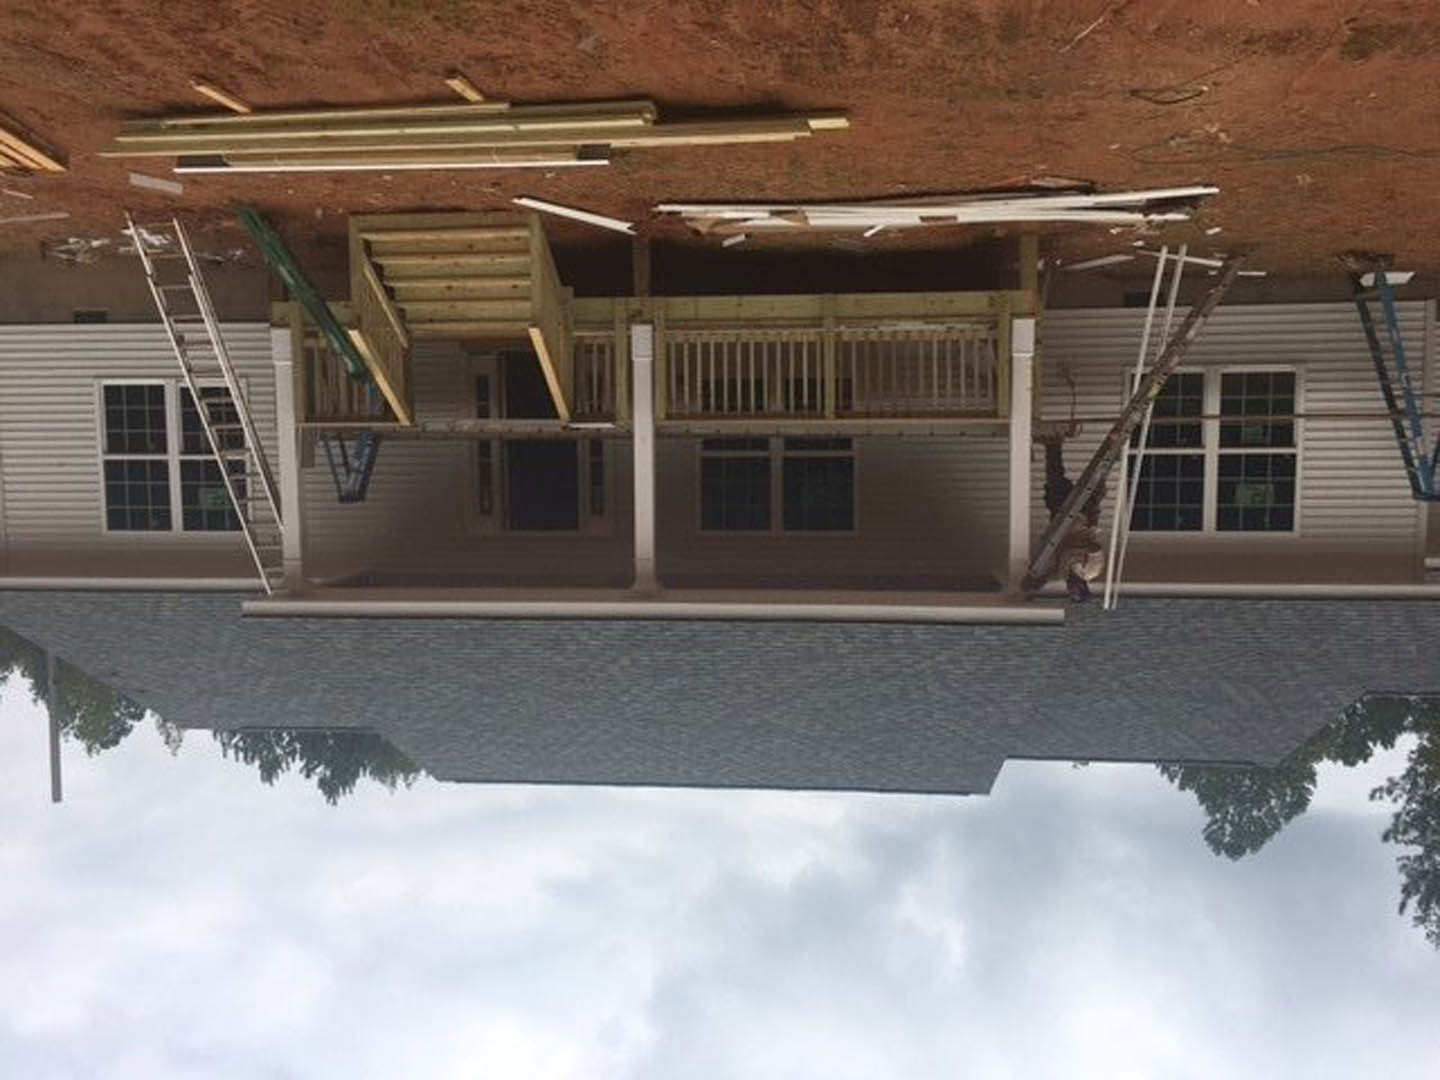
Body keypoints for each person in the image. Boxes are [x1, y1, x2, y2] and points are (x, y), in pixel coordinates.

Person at [1040, 429, 1105, 602]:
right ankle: (1108, 452)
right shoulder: (1091, 571)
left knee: (1055, 483)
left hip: (1061, 522)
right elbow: (1095, 549)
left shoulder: (1062, 573)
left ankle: (1052, 444)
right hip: (1083, 520)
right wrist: (1077, 550)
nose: (1070, 588)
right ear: (1083, 587)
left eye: (1070, 592)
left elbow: (1051, 564)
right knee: (1094, 485)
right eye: (1074, 591)